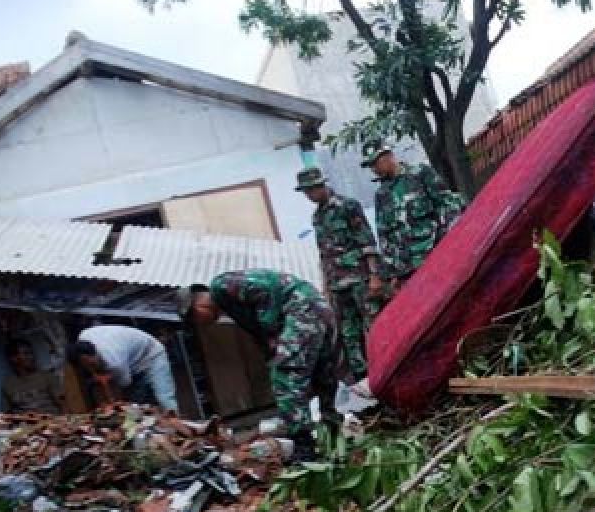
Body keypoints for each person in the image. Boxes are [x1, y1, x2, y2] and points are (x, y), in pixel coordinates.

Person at [176, 271, 339, 460]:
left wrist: (270, 329)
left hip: (300, 307)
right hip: (313, 307)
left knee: (285, 376)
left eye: (195, 320)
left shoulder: (220, 286)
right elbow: (262, 339)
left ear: (198, 305)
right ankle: (333, 432)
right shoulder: (231, 307)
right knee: (322, 372)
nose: (201, 325)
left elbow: (264, 288)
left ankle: (304, 445)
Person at [296, 166, 382, 380]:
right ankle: (363, 376)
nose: (308, 196)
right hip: (337, 285)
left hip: (360, 279)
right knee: (348, 333)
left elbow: (367, 242)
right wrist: (326, 287)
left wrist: (374, 276)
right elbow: (324, 254)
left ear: (320, 185)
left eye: (310, 191)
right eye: (305, 193)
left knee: (373, 325)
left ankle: (384, 365)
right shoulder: (317, 217)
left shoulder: (347, 206)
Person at [364, 142, 465, 295]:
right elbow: (384, 236)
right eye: (370, 166)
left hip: (436, 256)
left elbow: (448, 205)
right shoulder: (382, 194)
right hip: (409, 270)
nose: (374, 170)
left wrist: (447, 244)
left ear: (389, 156)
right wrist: (392, 272)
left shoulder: (420, 174)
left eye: (375, 163)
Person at [67, 325, 177, 414]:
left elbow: (125, 384)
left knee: (164, 399)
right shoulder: (83, 336)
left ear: (94, 353)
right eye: (86, 367)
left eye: (92, 365)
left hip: (152, 355)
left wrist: (115, 402)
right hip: (131, 361)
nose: (91, 369)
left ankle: (182, 432)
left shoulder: (115, 362)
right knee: (136, 405)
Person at [0, 339, 64, 415]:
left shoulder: (47, 376)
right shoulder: (8, 384)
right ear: (14, 359)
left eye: (31, 353)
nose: (31, 357)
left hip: (52, 421)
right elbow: (6, 414)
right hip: (25, 425)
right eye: (26, 354)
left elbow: (63, 404)